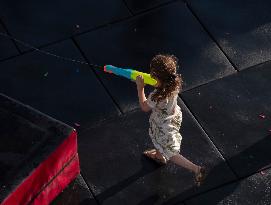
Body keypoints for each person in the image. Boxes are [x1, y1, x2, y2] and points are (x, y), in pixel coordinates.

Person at [135, 54, 206, 186]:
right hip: (173, 116)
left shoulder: (156, 96)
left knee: (171, 152)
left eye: (152, 75)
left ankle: (196, 169)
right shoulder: (174, 83)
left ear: (157, 78)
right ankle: (159, 156)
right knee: (157, 139)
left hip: (163, 125)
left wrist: (141, 88)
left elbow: (145, 107)